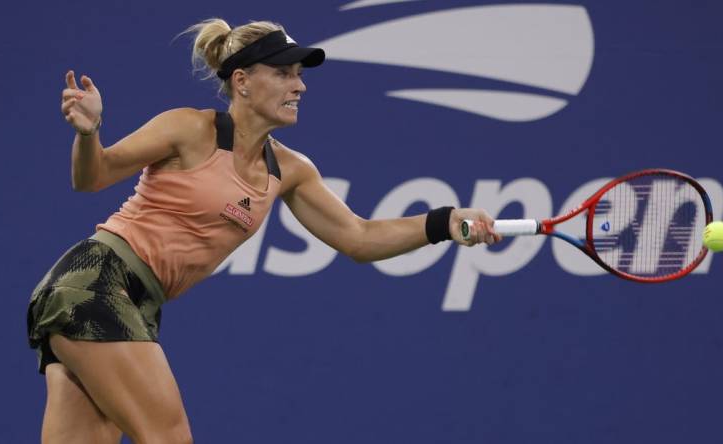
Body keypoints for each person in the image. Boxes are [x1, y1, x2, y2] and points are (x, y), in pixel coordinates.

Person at [28, 18, 500, 444]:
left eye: (299, 75)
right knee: (169, 439)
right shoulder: (189, 129)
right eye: (284, 73)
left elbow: (360, 237)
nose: (299, 86)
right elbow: (92, 178)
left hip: (129, 300)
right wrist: (89, 134)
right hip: (96, 281)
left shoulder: (290, 170)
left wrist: (445, 222)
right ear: (242, 82)